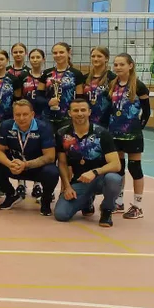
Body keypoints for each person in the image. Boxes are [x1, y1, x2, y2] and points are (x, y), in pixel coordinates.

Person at [54, 97, 122, 227]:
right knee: (61, 214)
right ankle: (87, 201)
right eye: (76, 110)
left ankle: (107, 210)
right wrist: (67, 187)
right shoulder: (62, 134)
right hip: (79, 181)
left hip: (100, 179)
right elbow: (62, 163)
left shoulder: (102, 133)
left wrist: (94, 172)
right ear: (69, 113)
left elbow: (116, 165)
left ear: (89, 112)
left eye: (83, 110)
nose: (80, 113)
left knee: (114, 179)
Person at [0, 100, 59, 216]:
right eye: (18, 115)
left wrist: (26, 165)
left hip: (35, 168)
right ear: (13, 115)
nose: (21, 118)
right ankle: (11, 194)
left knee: (52, 172)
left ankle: (46, 200)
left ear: (32, 114)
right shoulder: (6, 126)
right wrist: (9, 164)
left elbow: (50, 156)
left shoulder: (44, 127)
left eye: (25, 114)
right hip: (14, 167)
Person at [108, 54, 151, 219]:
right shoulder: (112, 84)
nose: (118, 67)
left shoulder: (139, 86)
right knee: (118, 168)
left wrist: (138, 128)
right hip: (114, 133)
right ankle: (119, 202)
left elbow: (146, 112)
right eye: (116, 64)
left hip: (132, 134)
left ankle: (138, 206)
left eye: (122, 64)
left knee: (134, 168)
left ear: (130, 66)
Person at [43, 41, 86, 133]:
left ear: (69, 52)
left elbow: (80, 98)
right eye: (55, 53)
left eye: (61, 52)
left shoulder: (76, 74)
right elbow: (39, 96)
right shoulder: (46, 73)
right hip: (47, 117)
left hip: (67, 118)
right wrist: (48, 102)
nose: (58, 55)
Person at [86, 45, 116, 128]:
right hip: (87, 120)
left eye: (99, 56)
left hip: (106, 121)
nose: (95, 59)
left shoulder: (113, 78)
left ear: (106, 58)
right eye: (93, 56)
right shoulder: (85, 78)